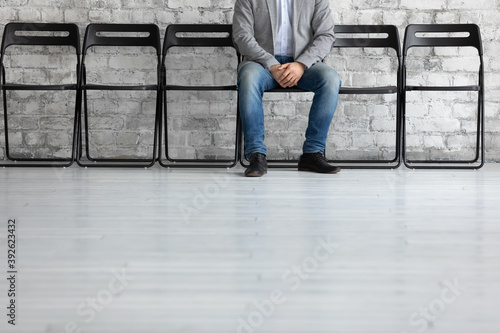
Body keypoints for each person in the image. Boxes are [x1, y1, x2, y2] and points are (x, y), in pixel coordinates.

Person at [233, 0, 342, 177]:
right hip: (261, 64)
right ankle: (256, 155)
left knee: (330, 79)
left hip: (303, 64)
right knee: (248, 77)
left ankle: (312, 153)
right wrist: (271, 64)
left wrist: (301, 64)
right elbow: (241, 36)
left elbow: (326, 35)